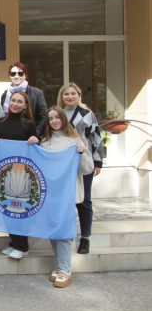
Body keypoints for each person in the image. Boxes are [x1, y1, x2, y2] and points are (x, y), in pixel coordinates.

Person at [40, 106, 94, 288]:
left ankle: (65, 269)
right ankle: (59, 266)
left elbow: (87, 169)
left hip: (67, 195)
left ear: (64, 119)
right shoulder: (44, 143)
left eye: (57, 117)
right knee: (53, 231)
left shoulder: (74, 141)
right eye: (50, 118)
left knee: (63, 231)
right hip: (50, 195)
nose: (54, 121)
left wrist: (82, 153)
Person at [0, 91, 40, 259]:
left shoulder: (29, 124)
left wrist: (35, 139)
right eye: (13, 100)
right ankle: (13, 241)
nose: (16, 104)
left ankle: (22, 245)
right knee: (6, 208)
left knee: (19, 209)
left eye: (20, 102)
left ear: (25, 105)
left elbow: (34, 147)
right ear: (8, 102)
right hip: (3, 172)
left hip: (22, 174)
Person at [57, 82, 103, 254]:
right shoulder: (57, 114)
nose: (70, 97)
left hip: (82, 163)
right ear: (61, 96)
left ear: (79, 95)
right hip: (62, 164)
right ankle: (67, 235)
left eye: (73, 94)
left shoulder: (87, 114)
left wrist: (98, 162)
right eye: (66, 94)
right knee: (66, 201)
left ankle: (85, 238)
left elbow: (96, 138)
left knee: (84, 200)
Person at [0, 61, 47, 137]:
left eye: (20, 73)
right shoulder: (5, 94)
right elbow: (3, 117)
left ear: (25, 76)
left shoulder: (37, 93)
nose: (16, 76)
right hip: (9, 135)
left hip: (30, 137)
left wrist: (36, 133)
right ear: (9, 76)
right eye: (13, 74)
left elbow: (44, 116)